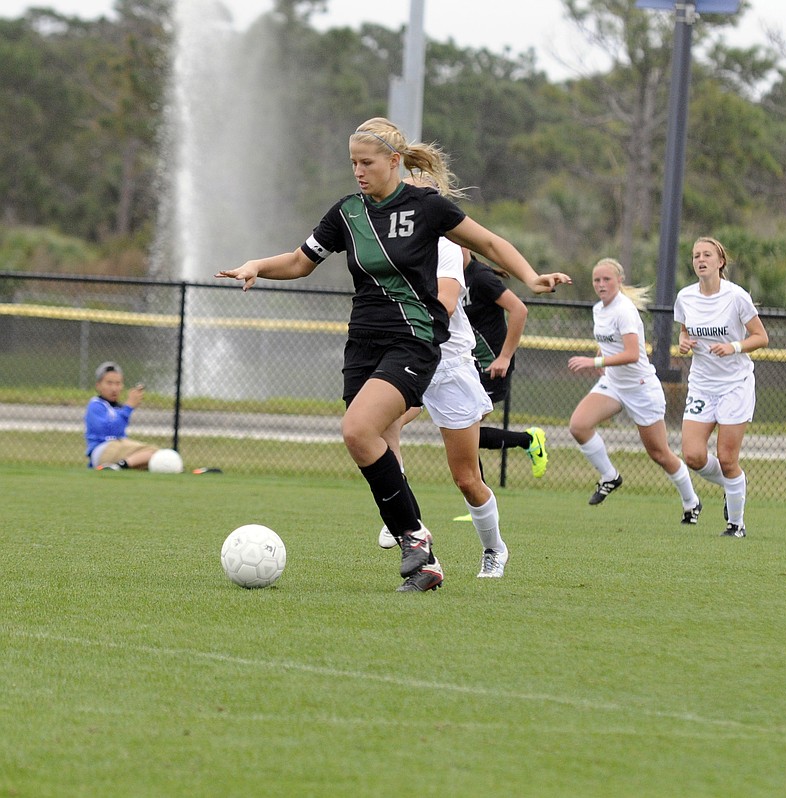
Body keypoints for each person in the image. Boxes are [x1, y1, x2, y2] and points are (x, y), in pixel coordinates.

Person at [215, 117, 571, 592]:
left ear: (394, 161)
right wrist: (258, 264)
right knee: (363, 440)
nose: (358, 171)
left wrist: (530, 276)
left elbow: (487, 242)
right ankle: (422, 556)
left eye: (367, 162)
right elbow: (302, 261)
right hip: (362, 344)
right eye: (353, 163)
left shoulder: (425, 206)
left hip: (415, 339)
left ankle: (423, 538)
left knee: (363, 430)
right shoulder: (347, 213)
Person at [378, 232, 511, 578]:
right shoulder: (389, 242)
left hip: (448, 366)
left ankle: (495, 548)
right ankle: (406, 521)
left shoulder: (445, 246)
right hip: (408, 357)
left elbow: (446, 304)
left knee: (466, 478)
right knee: (376, 425)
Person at [567, 258, 702, 522]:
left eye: (607, 279)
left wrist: (595, 361)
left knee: (659, 453)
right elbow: (608, 341)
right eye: (597, 280)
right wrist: (601, 354)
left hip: (640, 388)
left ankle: (691, 501)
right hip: (614, 384)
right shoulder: (599, 309)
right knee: (579, 426)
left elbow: (631, 354)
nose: (601, 284)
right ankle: (610, 476)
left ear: (619, 281)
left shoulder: (624, 310)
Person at [675, 237, 769, 538]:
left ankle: (736, 524)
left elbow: (761, 337)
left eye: (706, 255)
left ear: (720, 262)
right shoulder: (685, 297)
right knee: (692, 455)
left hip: (735, 385)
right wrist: (683, 343)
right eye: (695, 256)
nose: (700, 260)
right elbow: (685, 333)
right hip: (702, 385)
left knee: (727, 458)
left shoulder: (736, 296)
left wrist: (735, 346)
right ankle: (733, 485)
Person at [463, 249, 548, 478]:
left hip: (491, 366)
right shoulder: (447, 276)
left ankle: (529, 440)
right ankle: (479, 506)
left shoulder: (480, 277)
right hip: (466, 366)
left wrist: (504, 357)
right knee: (462, 434)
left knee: (463, 432)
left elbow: (519, 310)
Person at [84, 361, 158, 469]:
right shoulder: (95, 405)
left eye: (118, 383)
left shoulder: (118, 408)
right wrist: (129, 407)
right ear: (98, 385)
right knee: (153, 452)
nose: (114, 388)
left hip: (119, 446)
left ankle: (118, 466)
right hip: (102, 449)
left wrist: (127, 408)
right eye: (109, 383)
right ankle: (121, 465)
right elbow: (111, 432)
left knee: (159, 457)